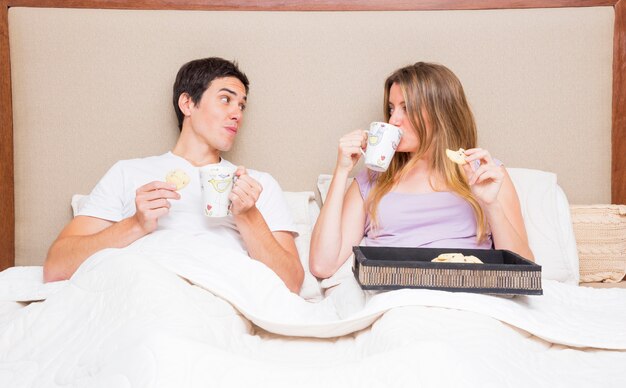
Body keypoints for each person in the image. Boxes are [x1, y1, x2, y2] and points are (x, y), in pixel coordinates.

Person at [44, 57, 304, 293]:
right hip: (143, 289)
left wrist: (249, 216)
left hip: (218, 295)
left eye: (242, 106)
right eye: (226, 99)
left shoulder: (257, 185)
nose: (237, 114)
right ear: (188, 103)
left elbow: (291, 283)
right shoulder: (128, 172)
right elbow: (56, 267)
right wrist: (136, 224)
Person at [309, 62, 533, 279]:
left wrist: (491, 205)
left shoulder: (486, 174)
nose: (393, 119)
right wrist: (341, 170)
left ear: (440, 113)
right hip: (397, 299)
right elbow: (322, 265)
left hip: (468, 298)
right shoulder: (372, 181)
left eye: (406, 108)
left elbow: (525, 271)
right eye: (391, 108)